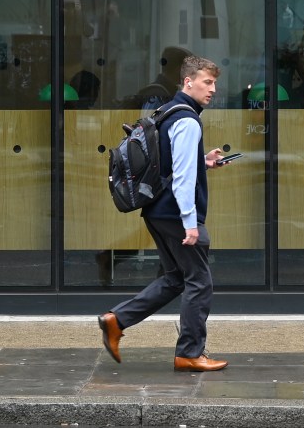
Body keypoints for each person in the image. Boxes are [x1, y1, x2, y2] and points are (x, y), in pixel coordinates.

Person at [98, 55, 230, 372]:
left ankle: (117, 320)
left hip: (157, 209)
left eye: (214, 83)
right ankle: (189, 353)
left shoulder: (168, 112)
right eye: (207, 82)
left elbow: (171, 163)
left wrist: (203, 161)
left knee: (174, 279)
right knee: (200, 283)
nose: (212, 89)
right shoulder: (187, 120)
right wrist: (191, 223)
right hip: (175, 214)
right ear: (188, 82)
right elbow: (183, 179)